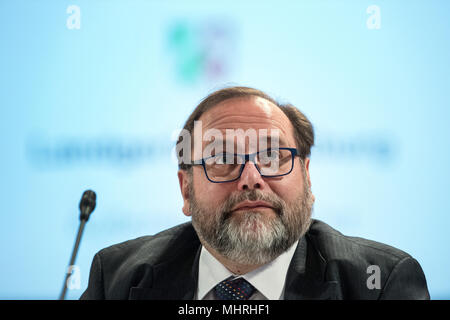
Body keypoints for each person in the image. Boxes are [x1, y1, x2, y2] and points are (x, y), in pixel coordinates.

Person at [80, 86, 429, 300]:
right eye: (222, 159)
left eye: (273, 156)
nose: (251, 178)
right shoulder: (116, 281)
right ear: (186, 189)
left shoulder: (379, 284)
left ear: (307, 178)